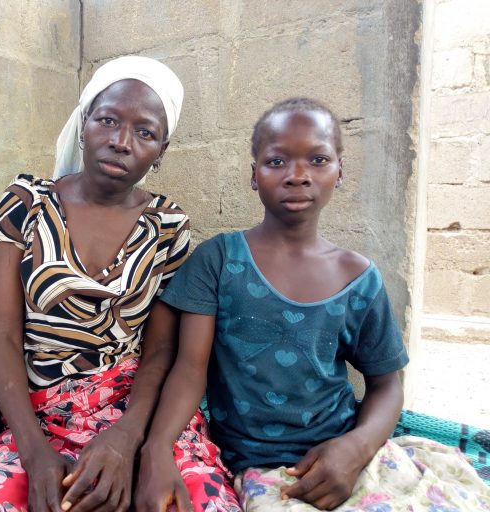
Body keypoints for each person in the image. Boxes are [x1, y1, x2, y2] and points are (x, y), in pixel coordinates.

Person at [137, 98, 490, 511]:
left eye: (318, 160)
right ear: (254, 175)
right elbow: (189, 368)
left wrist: (356, 448)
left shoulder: (359, 278)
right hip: (262, 468)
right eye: (276, 162)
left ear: (341, 171)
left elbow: (387, 386)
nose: (297, 176)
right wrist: (157, 449)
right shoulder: (219, 260)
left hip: (345, 453)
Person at [0, 57, 241, 512]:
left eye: (144, 132)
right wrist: (34, 455)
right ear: (83, 122)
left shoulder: (169, 225)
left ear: (163, 149)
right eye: (107, 120)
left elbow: (159, 352)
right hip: (40, 419)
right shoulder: (26, 203)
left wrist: (127, 440)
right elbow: (2, 335)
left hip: (137, 414)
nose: (120, 141)